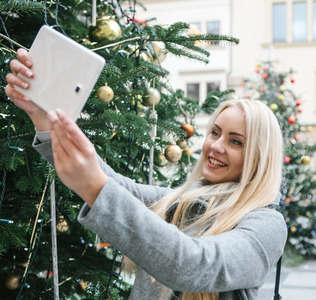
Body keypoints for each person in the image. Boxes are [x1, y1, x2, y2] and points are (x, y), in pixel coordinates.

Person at [5, 49, 287, 299]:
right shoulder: (182, 198)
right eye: (215, 132)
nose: (216, 146)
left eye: (235, 141)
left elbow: (195, 265)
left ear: (261, 157)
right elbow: (120, 187)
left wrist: (97, 187)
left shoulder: (266, 224)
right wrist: (44, 120)